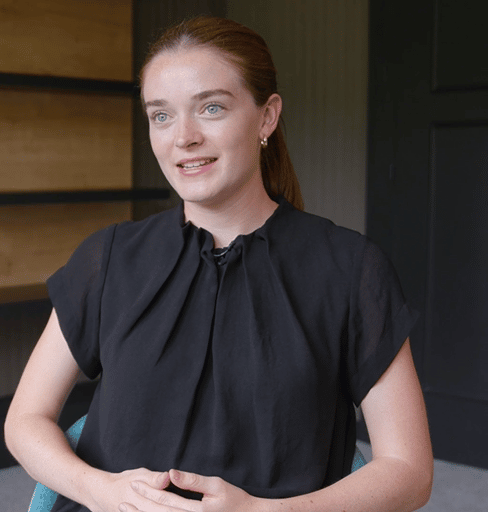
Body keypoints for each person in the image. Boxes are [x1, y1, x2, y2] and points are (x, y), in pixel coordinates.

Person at [4, 15, 433, 512]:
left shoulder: (352, 268)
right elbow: (25, 419)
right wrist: (99, 490)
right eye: (161, 115)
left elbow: (409, 470)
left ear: (267, 117)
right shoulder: (110, 257)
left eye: (210, 108)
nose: (183, 138)